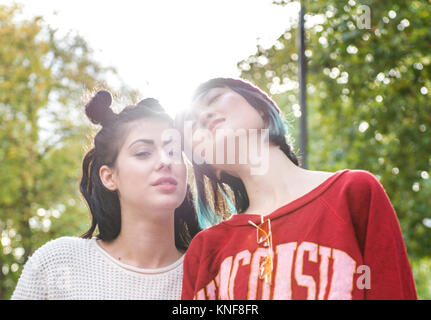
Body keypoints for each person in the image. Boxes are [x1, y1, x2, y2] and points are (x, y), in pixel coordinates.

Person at [178, 77, 417, 300]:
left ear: (262, 109)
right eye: (195, 125)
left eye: (214, 98)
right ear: (208, 163)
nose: (205, 116)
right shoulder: (204, 251)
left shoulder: (354, 193)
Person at [11, 90, 200, 299]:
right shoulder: (57, 263)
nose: (165, 161)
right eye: (143, 153)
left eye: (173, 151)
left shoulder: (212, 274)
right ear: (109, 177)